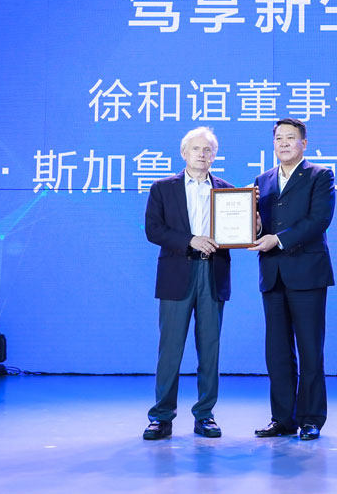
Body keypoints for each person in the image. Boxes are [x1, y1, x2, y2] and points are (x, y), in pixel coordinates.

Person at [142, 127, 233, 440]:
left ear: (214, 155)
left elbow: (239, 231)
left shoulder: (228, 191)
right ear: (184, 153)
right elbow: (153, 230)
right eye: (196, 149)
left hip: (213, 273)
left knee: (210, 348)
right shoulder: (162, 188)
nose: (201, 154)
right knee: (170, 349)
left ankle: (205, 415)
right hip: (177, 273)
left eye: (207, 150)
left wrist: (254, 224)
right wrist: (190, 240)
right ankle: (161, 417)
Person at [250, 118, 335, 441]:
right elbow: (260, 226)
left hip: (307, 273)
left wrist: (278, 239)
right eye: (278, 138)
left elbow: (318, 220)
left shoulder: (320, 176)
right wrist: (255, 227)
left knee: (310, 350)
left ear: (304, 143)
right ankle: (282, 418)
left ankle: (311, 418)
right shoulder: (263, 180)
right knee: (277, 352)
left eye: (290, 138)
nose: (283, 143)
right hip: (273, 274)